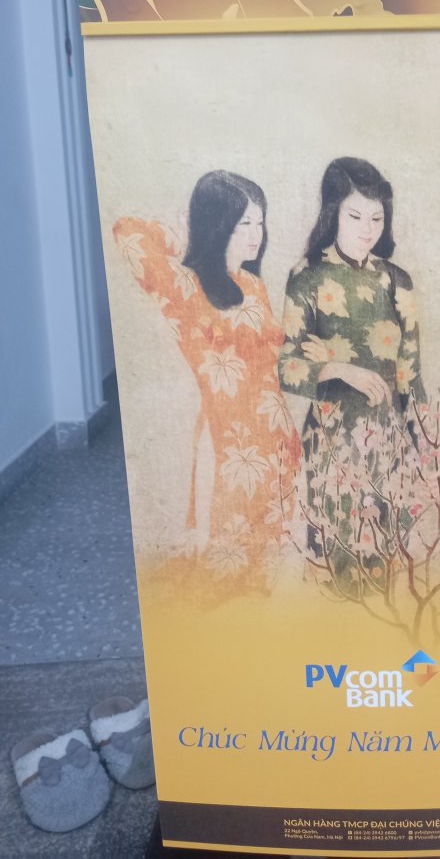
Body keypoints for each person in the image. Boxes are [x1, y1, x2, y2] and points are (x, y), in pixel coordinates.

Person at [113, 171, 301, 596]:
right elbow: (127, 230)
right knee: (221, 568)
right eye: (242, 224)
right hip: (227, 447)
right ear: (216, 225)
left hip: (276, 447)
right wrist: (185, 237)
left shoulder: (254, 286)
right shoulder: (186, 286)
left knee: (265, 572)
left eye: (259, 223)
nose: (255, 235)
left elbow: (269, 373)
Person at [278, 157, 425, 595]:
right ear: (333, 213)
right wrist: (341, 369)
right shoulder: (307, 277)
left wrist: (421, 440)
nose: (367, 229)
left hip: (390, 440)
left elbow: (410, 371)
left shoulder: (397, 281)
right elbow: (289, 365)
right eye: (355, 216)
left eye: (377, 219)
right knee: (338, 567)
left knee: (387, 567)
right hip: (332, 442)